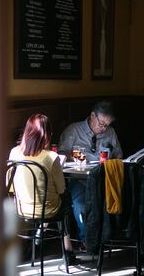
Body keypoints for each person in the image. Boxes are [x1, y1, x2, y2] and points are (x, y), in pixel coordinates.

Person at [8, 114, 77, 262]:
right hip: (47, 208)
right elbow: (60, 188)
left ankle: (35, 241)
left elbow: (9, 184)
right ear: (47, 135)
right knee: (66, 201)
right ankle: (68, 251)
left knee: (49, 200)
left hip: (20, 207)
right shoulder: (51, 157)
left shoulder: (14, 152)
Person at [58, 100, 123, 242]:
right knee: (81, 204)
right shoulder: (73, 130)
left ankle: (107, 237)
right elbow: (61, 154)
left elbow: (118, 155)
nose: (104, 128)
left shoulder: (110, 133)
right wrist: (79, 157)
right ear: (93, 116)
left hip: (105, 180)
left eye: (107, 125)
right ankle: (88, 240)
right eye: (102, 124)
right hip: (79, 179)